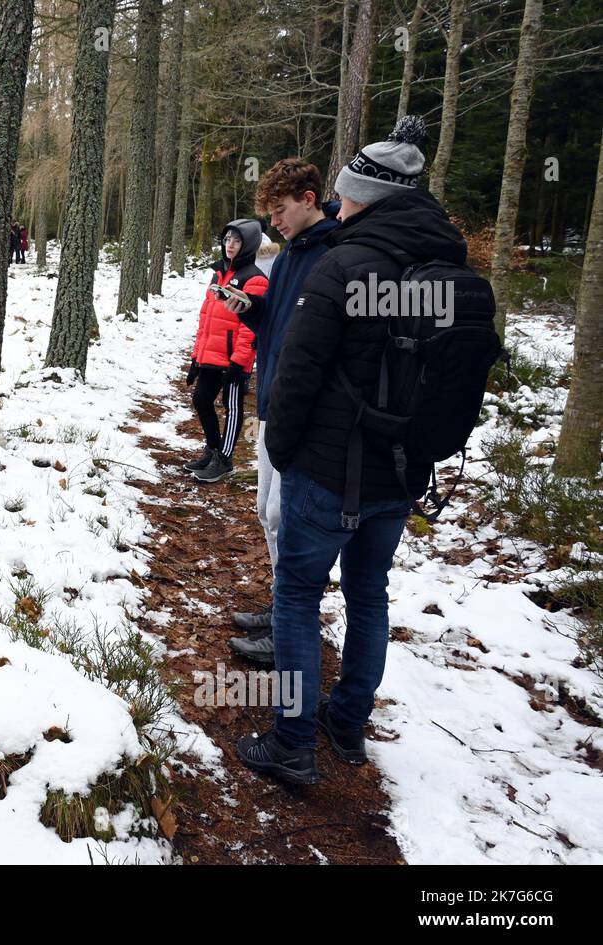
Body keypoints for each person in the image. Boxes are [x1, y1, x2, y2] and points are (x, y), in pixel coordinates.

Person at [236, 116, 453, 784]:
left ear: (364, 196)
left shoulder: (342, 265)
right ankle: (347, 723)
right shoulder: (448, 270)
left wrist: (287, 448)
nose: (341, 204)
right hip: (400, 472)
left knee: (298, 596)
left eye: (347, 194)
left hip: (325, 471)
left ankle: (294, 740)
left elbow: (298, 376)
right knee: (368, 594)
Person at [224, 159, 341, 665]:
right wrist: (251, 309)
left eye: (281, 210)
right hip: (271, 399)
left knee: (282, 516)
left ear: (309, 199)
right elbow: (284, 320)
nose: (274, 222)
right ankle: (282, 609)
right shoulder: (292, 252)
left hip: (301, 411)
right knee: (264, 513)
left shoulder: (334, 253)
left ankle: (294, 626)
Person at [184, 220, 266, 483]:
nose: (229, 245)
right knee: (201, 400)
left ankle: (224, 459)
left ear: (248, 245)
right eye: (227, 239)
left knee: (232, 408)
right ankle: (212, 448)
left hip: (232, 360)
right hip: (211, 355)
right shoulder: (218, 274)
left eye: (236, 241)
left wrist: (239, 363)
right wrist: (197, 358)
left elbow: (249, 327)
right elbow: (206, 318)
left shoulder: (254, 279)